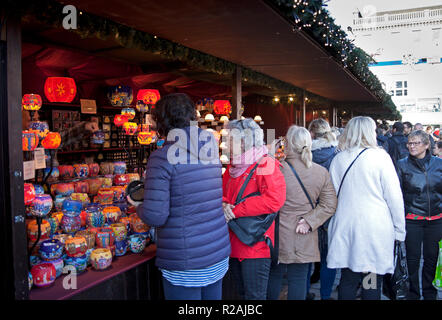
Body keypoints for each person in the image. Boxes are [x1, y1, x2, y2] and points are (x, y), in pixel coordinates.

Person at [128, 93, 231, 300]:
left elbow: (156, 216)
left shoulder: (162, 157)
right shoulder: (210, 146)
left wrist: (137, 205)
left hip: (186, 259)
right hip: (216, 251)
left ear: (162, 121)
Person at [327, 116, 406, 300]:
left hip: (346, 224)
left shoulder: (339, 159)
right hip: (374, 228)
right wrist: (399, 230)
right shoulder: (380, 157)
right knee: (371, 279)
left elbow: (332, 195)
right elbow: (394, 197)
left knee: (347, 278)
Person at [267, 125, 337, 300]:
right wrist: (309, 221)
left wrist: (271, 149)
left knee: (274, 276)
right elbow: (329, 204)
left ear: (287, 143)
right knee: (298, 279)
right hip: (304, 233)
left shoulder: (275, 168)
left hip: (277, 232)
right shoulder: (321, 172)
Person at [222, 118, 286, 300]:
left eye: (229, 139)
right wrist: (224, 204)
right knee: (241, 295)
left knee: (254, 297)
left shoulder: (265, 163)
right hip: (233, 240)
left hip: (255, 243)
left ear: (243, 142)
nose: (225, 143)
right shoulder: (232, 167)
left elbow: (274, 200)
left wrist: (235, 210)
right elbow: (224, 193)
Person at [396, 130, 442, 300]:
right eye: (409, 143)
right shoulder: (402, 164)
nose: (411, 146)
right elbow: (397, 193)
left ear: (427, 145)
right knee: (412, 261)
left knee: (431, 259)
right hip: (413, 219)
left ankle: (430, 294)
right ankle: (413, 294)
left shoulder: (439, 164)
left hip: (436, 220)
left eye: (416, 143)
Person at [305, 118, 339, 300]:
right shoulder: (337, 154)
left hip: (306, 210)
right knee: (327, 257)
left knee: (305, 256)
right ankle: (325, 295)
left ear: (311, 133)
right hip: (329, 210)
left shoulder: (304, 155)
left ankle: (304, 290)